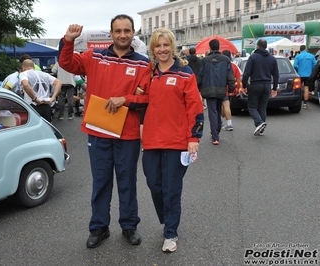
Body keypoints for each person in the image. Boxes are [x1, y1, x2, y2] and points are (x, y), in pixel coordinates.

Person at [58, 14, 151, 248]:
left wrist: (125, 99)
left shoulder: (142, 63)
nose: (122, 35)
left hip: (127, 134)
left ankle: (129, 226)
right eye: (118, 31)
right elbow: (67, 64)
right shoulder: (94, 56)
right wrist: (68, 40)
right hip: (98, 131)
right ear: (111, 34)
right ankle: (99, 227)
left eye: (127, 31)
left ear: (133, 33)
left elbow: (148, 98)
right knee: (101, 181)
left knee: (127, 181)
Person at [141, 28, 204, 252]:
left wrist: (194, 137)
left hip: (177, 142)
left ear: (172, 46)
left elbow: (195, 108)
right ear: (153, 49)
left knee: (171, 189)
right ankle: (167, 219)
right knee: (154, 185)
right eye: (158, 46)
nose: (162, 49)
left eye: (166, 45)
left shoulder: (185, 74)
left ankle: (170, 232)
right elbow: (140, 99)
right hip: (150, 141)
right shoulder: (148, 73)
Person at [197, 39, 235, 145]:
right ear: (219, 47)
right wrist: (231, 88)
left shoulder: (204, 60)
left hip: (208, 89)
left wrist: (198, 87)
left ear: (210, 47)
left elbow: (199, 75)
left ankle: (215, 136)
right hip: (222, 89)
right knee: (218, 110)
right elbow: (230, 76)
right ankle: (216, 131)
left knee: (212, 112)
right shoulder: (226, 59)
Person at [242, 39, 279, 136]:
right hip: (267, 84)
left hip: (255, 84)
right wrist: (274, 88)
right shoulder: (272, 59)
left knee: (252, 107)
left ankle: (259, 123)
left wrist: (244, 85)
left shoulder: (253, 57)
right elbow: (276, 74)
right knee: (262, 107)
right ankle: (261, 130)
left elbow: (246, 73)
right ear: (266, 47)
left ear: (257, 46)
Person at [221, 49, 242, 131]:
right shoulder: (234, 65)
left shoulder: (219, 65)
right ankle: (227, 123)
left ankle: (224, 122)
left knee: (222, 105)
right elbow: (239, 78)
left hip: (220, 88)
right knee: (226, 105)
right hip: (230, 89)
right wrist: (238, 88)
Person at [293, 45, 316, 109]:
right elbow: (315, 65)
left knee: (299, 88)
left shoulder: (298, 56)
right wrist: (311, 71)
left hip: (300, 75)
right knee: (306, 88)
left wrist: (298, 70)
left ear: (300, 50)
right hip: (309, 75)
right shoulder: (312, 56)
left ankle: (298, 102)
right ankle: (305, 104)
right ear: (305, 49)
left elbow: (295, 66)